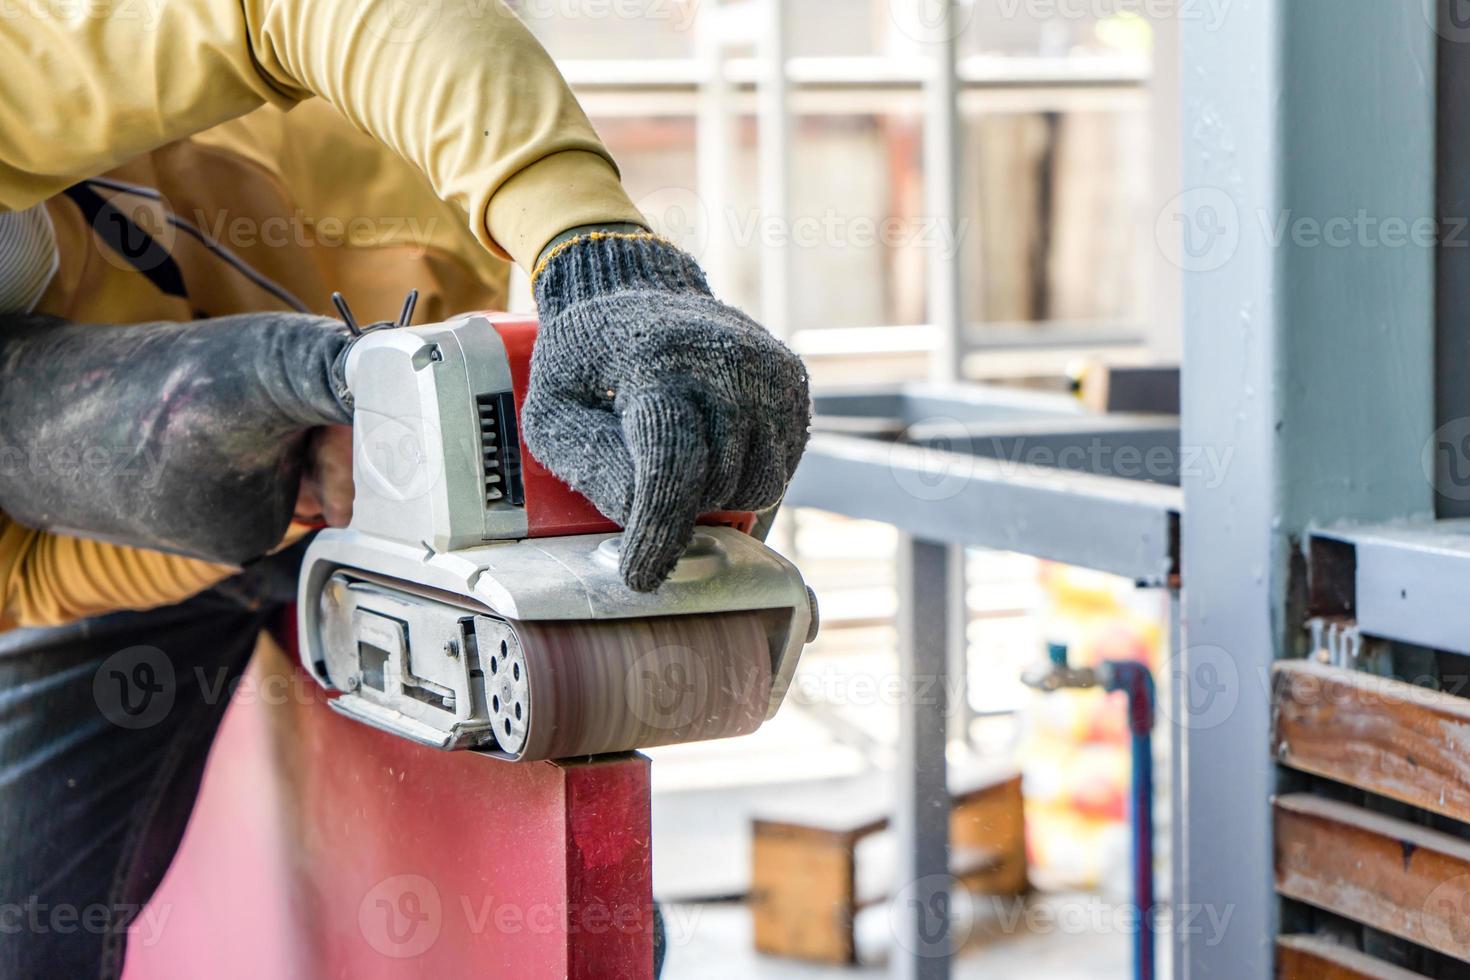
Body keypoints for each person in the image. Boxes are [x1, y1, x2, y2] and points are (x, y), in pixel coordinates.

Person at [0, 3, 810, 975]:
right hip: (159, 526)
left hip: (408, 399)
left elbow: (294, 12)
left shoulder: (25, 59)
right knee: (23, 920)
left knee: (559, 886)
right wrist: (263, 494)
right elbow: (29, 576)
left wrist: (592, 246)